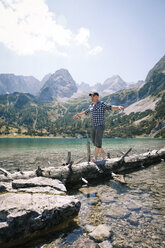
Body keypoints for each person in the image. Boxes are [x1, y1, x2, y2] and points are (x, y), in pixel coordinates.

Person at [73, 92, 124, 162]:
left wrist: (118, 107)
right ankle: (103, 153)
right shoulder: (91, 106)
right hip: (94, 126)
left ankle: (95, 158)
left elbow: (110, 107)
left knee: (98, 141)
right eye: (91, 96)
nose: (91, 97)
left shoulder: (102, 104)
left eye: (93, 96)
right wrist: (78, 115)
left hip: (100, 125)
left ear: (97, 97)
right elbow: (85, 113)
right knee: (94, 142)